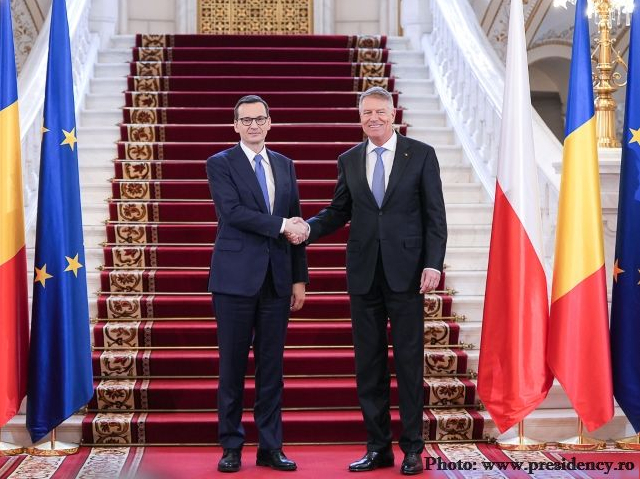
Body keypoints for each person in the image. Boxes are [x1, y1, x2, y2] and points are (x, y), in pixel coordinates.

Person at [287, 86, 447, 475]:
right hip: (363, 275)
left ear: (392, 115)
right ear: (359, 118)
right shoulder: (349, 159)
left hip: (407, 274)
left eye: (379, 112)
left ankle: (413, 448)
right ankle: (378, 448)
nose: (373, 118)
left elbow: (435, 215)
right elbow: (338, 210)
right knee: (369, 365)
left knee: (408, 363)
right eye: (366, 113)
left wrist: (433, 264)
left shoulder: (420, 154)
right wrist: (307, 228)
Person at [206, 95, 309, 473]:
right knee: (232, 368)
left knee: (271, 369)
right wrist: (282, 225)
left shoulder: (284, 164)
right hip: (234, 280)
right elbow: (232, 212)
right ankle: (231, 446)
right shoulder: (220, 163)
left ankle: (270, 447)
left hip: (277, 281)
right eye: (246, 120)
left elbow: (296, 220)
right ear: (235, 125)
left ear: (269, 123)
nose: (253, 125)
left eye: (259, 119)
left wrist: (299, 278)